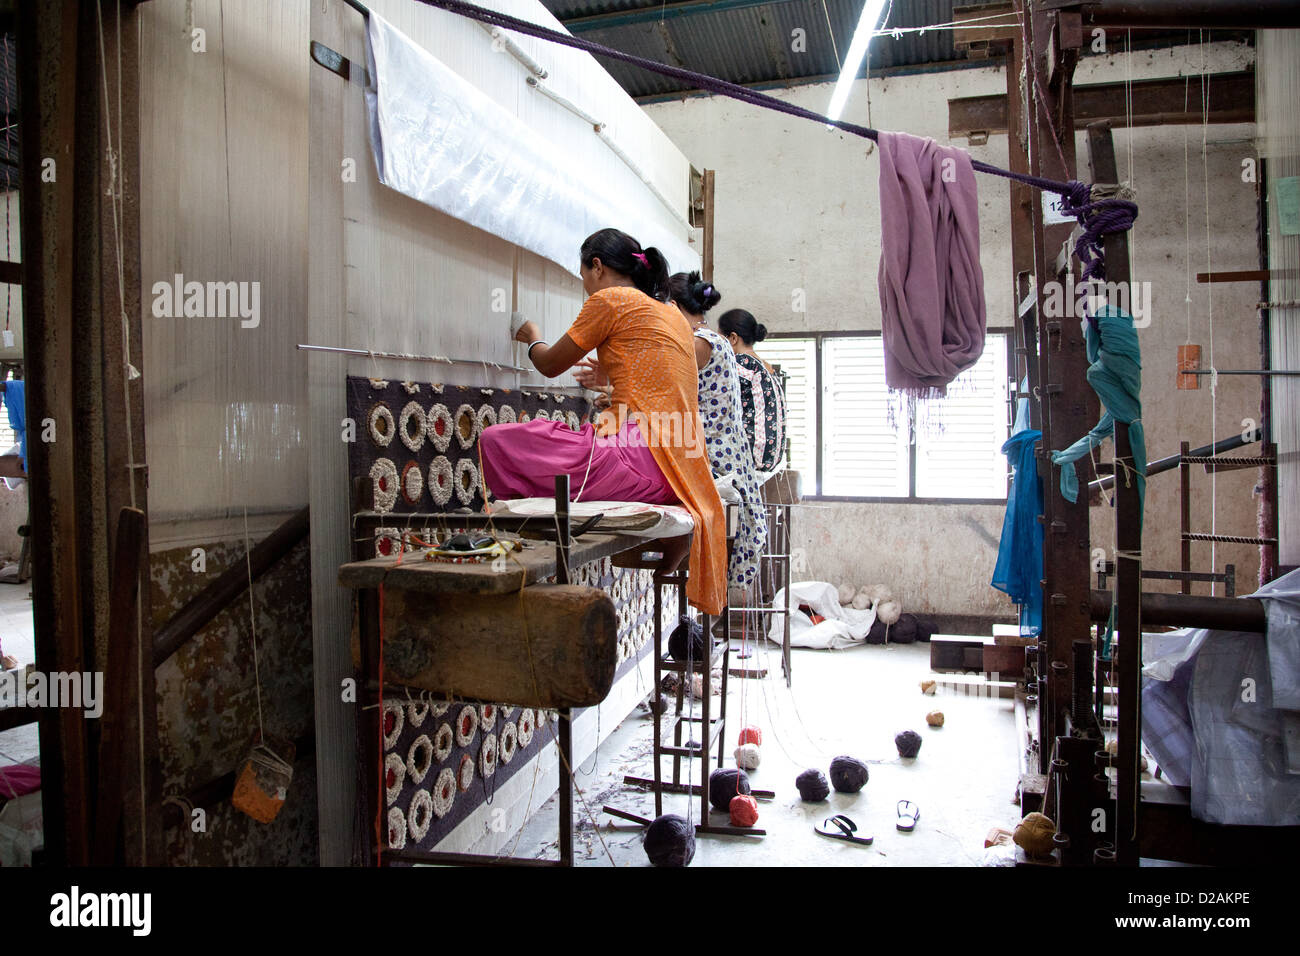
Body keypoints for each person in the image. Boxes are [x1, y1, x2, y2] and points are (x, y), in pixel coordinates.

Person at [478, 228, 727, 615]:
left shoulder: (611, 300)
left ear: (597, 267)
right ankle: (672, 537)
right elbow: (656, 381)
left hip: (636, 461)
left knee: (497, 441)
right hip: (683, 471)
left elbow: (548, 364)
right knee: (575, 437)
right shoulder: (673, 315)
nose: (585, 290)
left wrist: (531, 336)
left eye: (582, 279)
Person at [665, 272, 766, 597]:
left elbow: (666, 395)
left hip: (717, 460)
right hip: (730, 457)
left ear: (674, 306)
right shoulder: (713, 340)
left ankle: (673, 559)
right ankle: (673, 560)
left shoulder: (697, 344)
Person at [718, 309, 787, 474]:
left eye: (720, 339)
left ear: (733, 338)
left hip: (752, 456)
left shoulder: (741, 363)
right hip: (770, 458)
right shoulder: (765, 366)